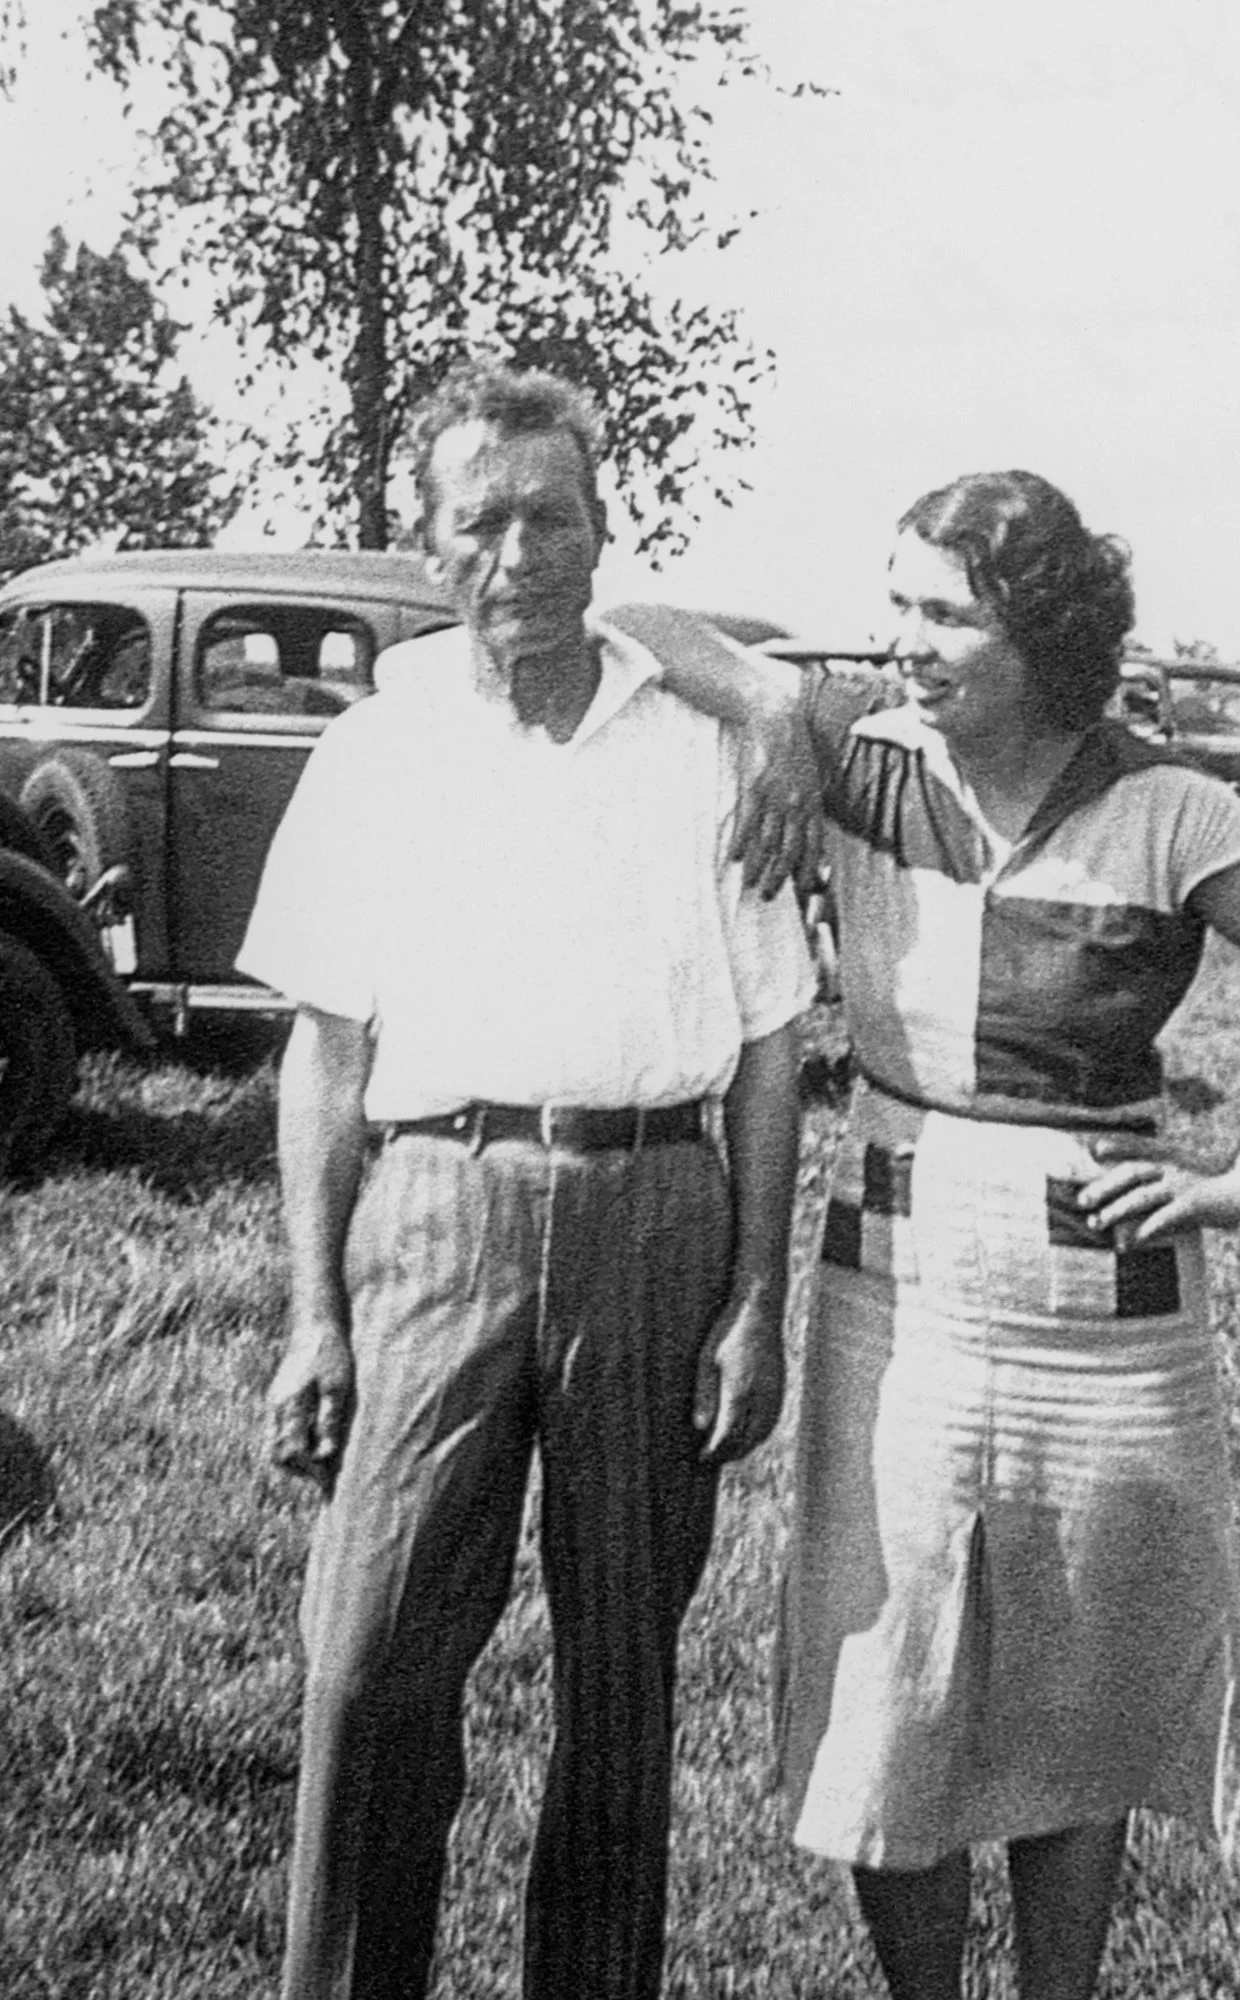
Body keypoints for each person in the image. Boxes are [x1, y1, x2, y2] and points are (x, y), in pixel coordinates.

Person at [613, 470, 1240, 2000]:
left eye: (943, 614)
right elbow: (637, 622)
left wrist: (1237, 1183)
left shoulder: (1168, 806)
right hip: (893, 1277)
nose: (905, 641)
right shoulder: (868, 758)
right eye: (894, 601)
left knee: (1074, 1701)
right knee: (888, 1683)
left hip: (1108, 1315)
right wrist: (779, 709)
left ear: (1039, 633)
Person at [238, 356, 815, 2000]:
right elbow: (325, 1055)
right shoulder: (377, 746)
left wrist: (756, 1302)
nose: (519, 554)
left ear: (601, 527)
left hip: (656, 1215)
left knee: (621, 1687)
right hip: (434, 1214)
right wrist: (313, 1316)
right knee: (368, 1670)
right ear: (430, 546)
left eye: (550, 517)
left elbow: (772, 1047)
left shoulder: (704, 743)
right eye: (480, 520)